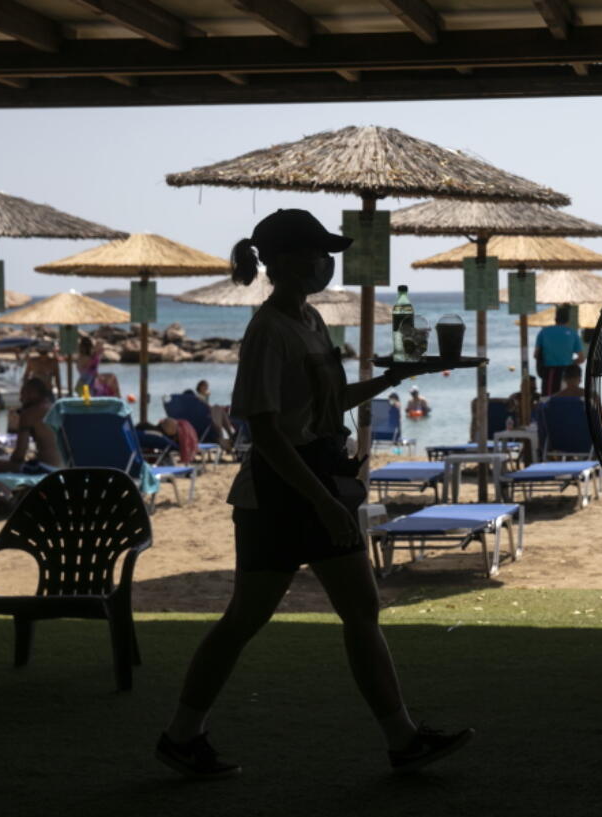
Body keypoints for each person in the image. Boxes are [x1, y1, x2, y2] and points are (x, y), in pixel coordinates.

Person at [157, 208, 468, 780]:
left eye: (329, 253)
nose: (328, 262)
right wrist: (322, 502)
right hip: (279, 492)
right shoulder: (268, 331)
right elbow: (266, 431)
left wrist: (395, 378)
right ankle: (181, 734)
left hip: (319, 480)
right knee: (245, 619)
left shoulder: (312, 321)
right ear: (284, 262)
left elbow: (326, 406)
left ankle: (403, 739)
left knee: (361, 610)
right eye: (319, 253)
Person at [0, 379, 61, 474]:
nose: (20, 399)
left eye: (23, 394)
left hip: (46, 468)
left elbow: (19, 456)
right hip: (64, 468)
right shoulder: (57, 409)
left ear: (32, 393)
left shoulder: (29, 414)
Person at [534, 304, 584, 397]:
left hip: (550, 373)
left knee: (548, 401)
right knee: (566, 399)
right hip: (567, 374)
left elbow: (536, 354)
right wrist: (570, 361)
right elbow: (581, 358)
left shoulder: (544, 332)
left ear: (555, 319)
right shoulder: (573, 334)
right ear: (568, 320)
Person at [195, 379, 236, 447]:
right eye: (205, 386)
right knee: (218, 408)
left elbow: (205, 408)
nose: (206, 388)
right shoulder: (198, 397)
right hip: (206, 423)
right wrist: (207, 397)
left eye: (207, 386)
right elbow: (207, 408)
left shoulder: (199, 397)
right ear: (200, 387)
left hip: (205, 421)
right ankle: (230, 435)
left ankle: (229, 435)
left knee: (220, 410)